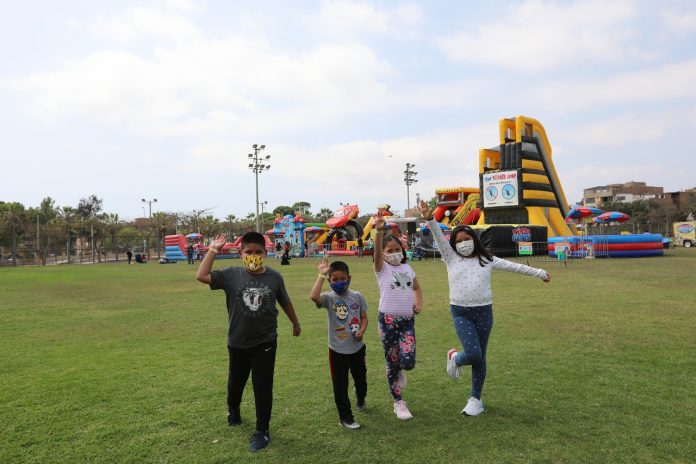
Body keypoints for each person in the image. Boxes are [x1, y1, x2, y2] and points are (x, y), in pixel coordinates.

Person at [418, 200, 551, 417]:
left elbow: (514, 267)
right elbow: (439, 238)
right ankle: (456, 358)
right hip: (461, 312)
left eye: (466, 239)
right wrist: (429, 218)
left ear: (474, 239)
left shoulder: (487, 259)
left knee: (481, 357)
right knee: (473, 353)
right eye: (458, 241)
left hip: (484, 312)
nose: (463, 243)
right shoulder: (450, 258)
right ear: (453, 245)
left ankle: (476, 399)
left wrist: (541, 273)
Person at [196, 232, 301, 452]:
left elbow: (285, 301)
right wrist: (213, 249)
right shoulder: (231, 275)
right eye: (249, 252)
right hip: (237, 341)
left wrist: (295, 323)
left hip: (266, 341)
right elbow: (202, 275)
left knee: (262, 387)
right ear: (240, 253)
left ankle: (262, 430)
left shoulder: (274, 277)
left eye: (258, 252)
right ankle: (233, 409)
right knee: (236, 382)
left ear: (266, 253)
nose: (254, 256)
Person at [372, 210, 423, 420]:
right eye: (389, 250)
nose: (394, 253)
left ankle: (401, 367)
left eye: (397, 250)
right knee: (391, 362)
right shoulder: (381, 269)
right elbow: (375, 253)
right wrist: (378, 232)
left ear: (402, 251)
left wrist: (418, 303)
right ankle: (398, 402)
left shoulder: (408, 269)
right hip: (387, 321)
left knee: (408, 360)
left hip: (407, 321)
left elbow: (417, 288)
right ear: (383, 253)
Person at [309, 258, 368, 429]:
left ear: (349, 278)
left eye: (342, 279)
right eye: (334, 279)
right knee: (340, 385)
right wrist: (321, 274)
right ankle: (346, 418)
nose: (339, 282)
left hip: (357, 348)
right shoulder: (329, 298)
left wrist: (362, 331)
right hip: (337, 351)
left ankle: (361, 396)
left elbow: (364, 318)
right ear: (329, 281)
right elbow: (313, 296)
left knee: (361, 380)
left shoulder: (357, 296)